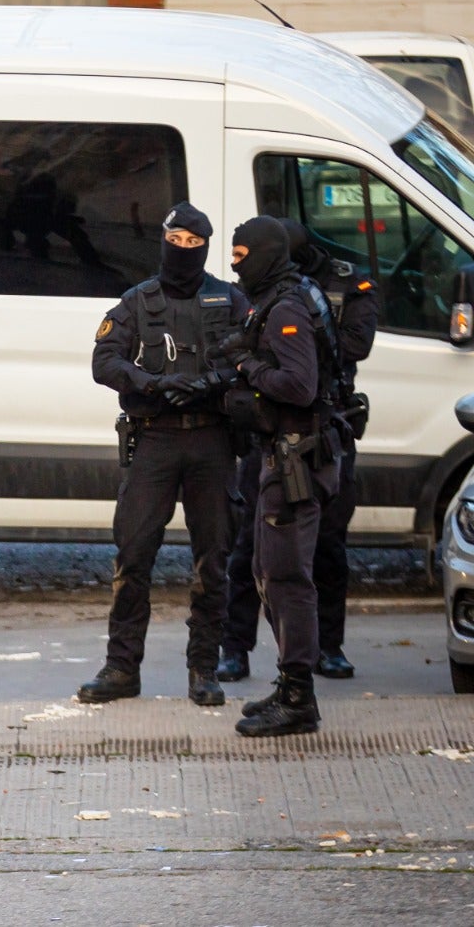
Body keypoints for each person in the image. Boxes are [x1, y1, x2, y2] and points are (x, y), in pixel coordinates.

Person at [79, 203, 249, 707]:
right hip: (154, 437)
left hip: (212, 441)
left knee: (212, 559)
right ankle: (121, 668)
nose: (182, 252)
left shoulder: (230, 300)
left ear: (205, 248)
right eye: (174, 242)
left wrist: (211, 383)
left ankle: (204, 669)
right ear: (162, 241)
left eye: (192, 245)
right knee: (133, 554)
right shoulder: (137, 301)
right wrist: (153, 383)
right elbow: (104, 360)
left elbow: (256, 358)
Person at [218, 219, 377, 684]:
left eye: (245, 254)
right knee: (252, 547)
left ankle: (322, 653)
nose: (237, 264)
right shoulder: (264, 293)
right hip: (273, 438)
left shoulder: (318, 291)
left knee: (324, 548)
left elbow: (350, 349)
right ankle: (237, 647)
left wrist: (256, 358)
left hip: (321, 432)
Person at [223, 216, 343, 738]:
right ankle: (290, 685)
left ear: (268, 254)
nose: (235, 263)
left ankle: (298, 696)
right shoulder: (289, 296)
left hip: (295, 457)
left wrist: (247, 367)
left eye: (243, 254)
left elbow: (297, 385)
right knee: (267, 569)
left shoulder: (286, 307)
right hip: (290, 452)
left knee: (287, 577)